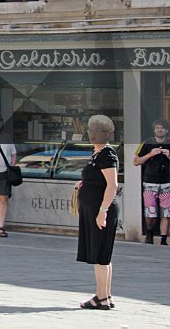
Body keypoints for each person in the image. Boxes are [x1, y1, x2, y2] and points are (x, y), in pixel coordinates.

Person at [75, 115, 119, 310]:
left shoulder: (107, 154)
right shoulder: (97, 153)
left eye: (97, 131)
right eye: (91, 130)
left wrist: (102, 211)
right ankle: (105, 295)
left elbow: (112, 185)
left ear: (106, 134)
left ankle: (101, 298)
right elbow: (99, 179)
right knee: (103, 255)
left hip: (100, 209)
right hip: (93, 207)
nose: (92, 134)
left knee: (101, 255)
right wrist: (85, 184)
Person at [134, 118, 170, 245]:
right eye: (157, 128)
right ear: (154, 130)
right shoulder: (146, 143)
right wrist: (150, 154)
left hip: (167, 183)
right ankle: (149, 233)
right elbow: (136, 161)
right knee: (151, 213)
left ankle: (163, 240)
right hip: (150, 183)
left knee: (166, 213)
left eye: (162, 128)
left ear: (166, 130)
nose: (160, 130)